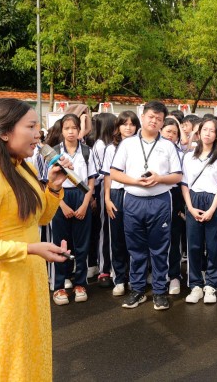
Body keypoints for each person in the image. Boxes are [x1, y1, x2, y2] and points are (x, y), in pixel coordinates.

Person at [0, 98, 71, 381]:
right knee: (6, 360)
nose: (39, 134)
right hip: (3, 287)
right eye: (31, 126)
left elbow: (41, 218)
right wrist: (31, 248)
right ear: (5, 132)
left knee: (29, 354)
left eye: (38, 127)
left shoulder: (24, 168)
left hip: (29, 276)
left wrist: (55, 187)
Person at [110, 101, 182, 311]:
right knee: (136, 248)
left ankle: (159, 291)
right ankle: (138, 289)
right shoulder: (128, 144)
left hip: (160, 201)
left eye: (159, 119)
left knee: (160, 249)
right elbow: (114, 172)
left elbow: (178, 176)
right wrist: (135, 181)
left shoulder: (168, 145)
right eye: (151, 117)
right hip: (133, 200)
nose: (154, 121)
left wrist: (159, 178)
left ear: (162, 122)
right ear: (142, 117)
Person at [181, 118, 217, 304]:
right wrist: (190, 208)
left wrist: (211, 209)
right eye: (205, 130)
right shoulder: (188, 156)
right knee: (193, 245)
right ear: (199, 132)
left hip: (212, 201)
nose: (208, 133)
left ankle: (210, 285)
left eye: (212, 131)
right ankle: (195, 285)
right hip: (192, 200)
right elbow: (184, 185)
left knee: (212, 245)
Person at [51, 114, 97, 305]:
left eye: (74, 128)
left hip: (82, 196)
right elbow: (48, 182)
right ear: (61, 131)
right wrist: (62, 204)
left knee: (82, 244)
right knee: (61, 244)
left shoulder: (87, 151)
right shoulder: (54, 153)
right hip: (59, 197)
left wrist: (85, 204)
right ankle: (60, 285)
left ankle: (80, 283)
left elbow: (91, 180)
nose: (70, 132)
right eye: (67, 128)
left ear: (80, 130)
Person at [101, 111, 140, 297]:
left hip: (136, 194)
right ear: (118, 127)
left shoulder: (141, 147)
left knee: (135, 237)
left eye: (132, 124)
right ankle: (119, 278)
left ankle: (135, 277)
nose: (128, 127)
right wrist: (107, 199)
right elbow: (107, 176)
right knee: (117, 238)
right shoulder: (111, 148)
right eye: (125, 124)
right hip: (117, 194)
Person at [90, 112, 117, 288]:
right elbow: (101, 172)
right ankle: (104, 268)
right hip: (104, 187)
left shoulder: (109, 144)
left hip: (116, 187)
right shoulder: (101, 146)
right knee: (105, 229)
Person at [162, 117, 186, 295]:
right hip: (156, 199)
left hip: (176, 201)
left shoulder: (183, 154)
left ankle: (175, 276)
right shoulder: (152, 151)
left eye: (174, 133)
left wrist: (182, 207)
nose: (171, 135)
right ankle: (158, 275)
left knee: (174, 239)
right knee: (157, 241)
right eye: (168, 131)